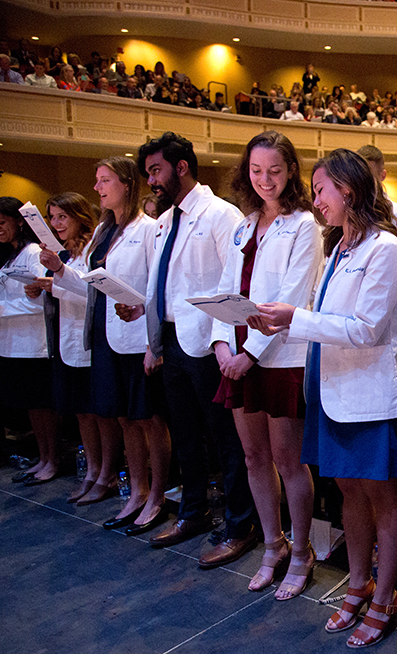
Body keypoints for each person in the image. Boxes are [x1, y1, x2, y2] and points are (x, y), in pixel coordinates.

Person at [250, 148, 397, 647]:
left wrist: (292, 318)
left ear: (348, 189)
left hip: (368, 394)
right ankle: (359, 581)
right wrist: (273, 319)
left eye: (321, 189)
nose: (315, 198)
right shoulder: (340, 246)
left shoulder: (383, 247)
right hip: (331, 389)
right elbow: (325, 320)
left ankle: (385, 594)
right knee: (347, 492)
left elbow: (365, 328)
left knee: (382, 497)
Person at [117, 132, 256, 567]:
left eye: (156, 171)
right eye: (148, 174)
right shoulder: (164, 219)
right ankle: (193, 512)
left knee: (225, 439)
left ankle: (240, 525)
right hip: (172, 341)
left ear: (181, 167)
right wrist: (145, 314)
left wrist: (220, 340)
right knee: (186, 435)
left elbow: (230, 284)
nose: (151, 181)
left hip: (210, 343)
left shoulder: (220, 214)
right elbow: (168, 282)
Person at [211, 131, 322, 599]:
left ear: (291, 170)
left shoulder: (304, 224)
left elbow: (294, 295)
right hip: (236, 353)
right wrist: (220, 342)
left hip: (279, 356)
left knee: (287, 459)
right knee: (253, 456)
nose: (265, 179)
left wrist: (248, 353)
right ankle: (272, 544)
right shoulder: (244, 223)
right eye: (256, 171)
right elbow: (224, 285)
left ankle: (301, 550)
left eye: (274, 170)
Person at [46, 157, 171, 531]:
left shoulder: (149, 229)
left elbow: (156, 287)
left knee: (149, 419)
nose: (98, 187)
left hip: (137, 337)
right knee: (123, 417)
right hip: (105, 333)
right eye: (96, 180)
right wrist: (59, 270)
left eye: (105, 180)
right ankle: (136, 489)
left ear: (128, 185)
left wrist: (155, 343)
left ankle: (158, 494)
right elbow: (90, 284)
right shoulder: (104, 229)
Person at [30, 194, 111, 506]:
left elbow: (93, 291)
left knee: (99, 413)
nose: (56, 223)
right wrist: (43, 287)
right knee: (81, 413)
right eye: (52, 217)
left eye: (62, 216)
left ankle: (105, 472)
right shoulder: (61, 252)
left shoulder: (93, 248)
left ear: (80, 216)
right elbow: (65, 290)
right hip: (66, 340)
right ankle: (91, 470)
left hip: (91, 339)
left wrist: (59, 275)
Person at [0, 198, 57, 484]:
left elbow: (39, 303)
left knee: (42, 405)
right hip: (11, 343)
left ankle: (52, 459)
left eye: (1, 222)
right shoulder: (5, 256)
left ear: (19, 221)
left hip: (34, 343)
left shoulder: (33, 252)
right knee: (30, 406)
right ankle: (43, 457)